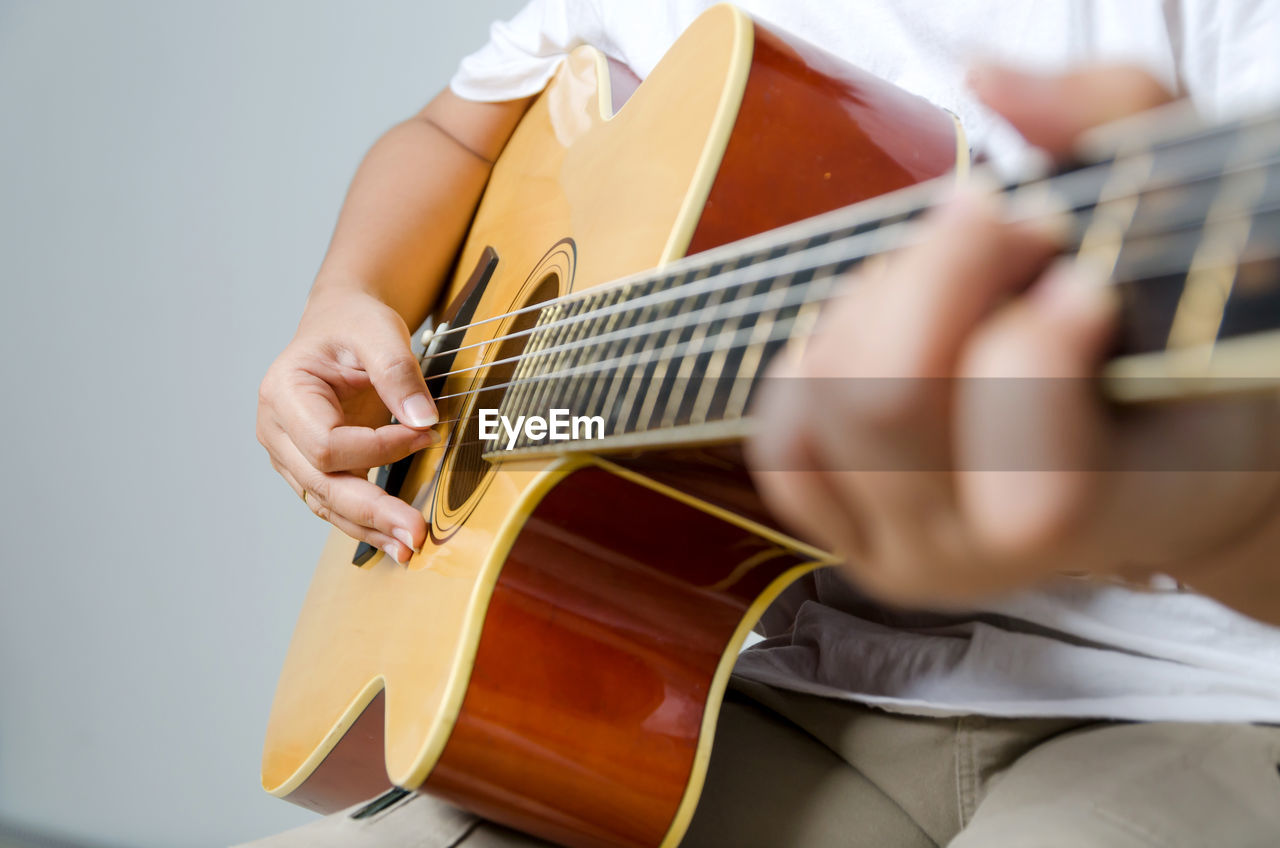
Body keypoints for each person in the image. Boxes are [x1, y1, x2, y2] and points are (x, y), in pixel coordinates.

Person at [250, 1, 1280, 845]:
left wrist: (1201, 519)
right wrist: (346, 295)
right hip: (720, 685)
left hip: (1181, 701)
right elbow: (447, 128)